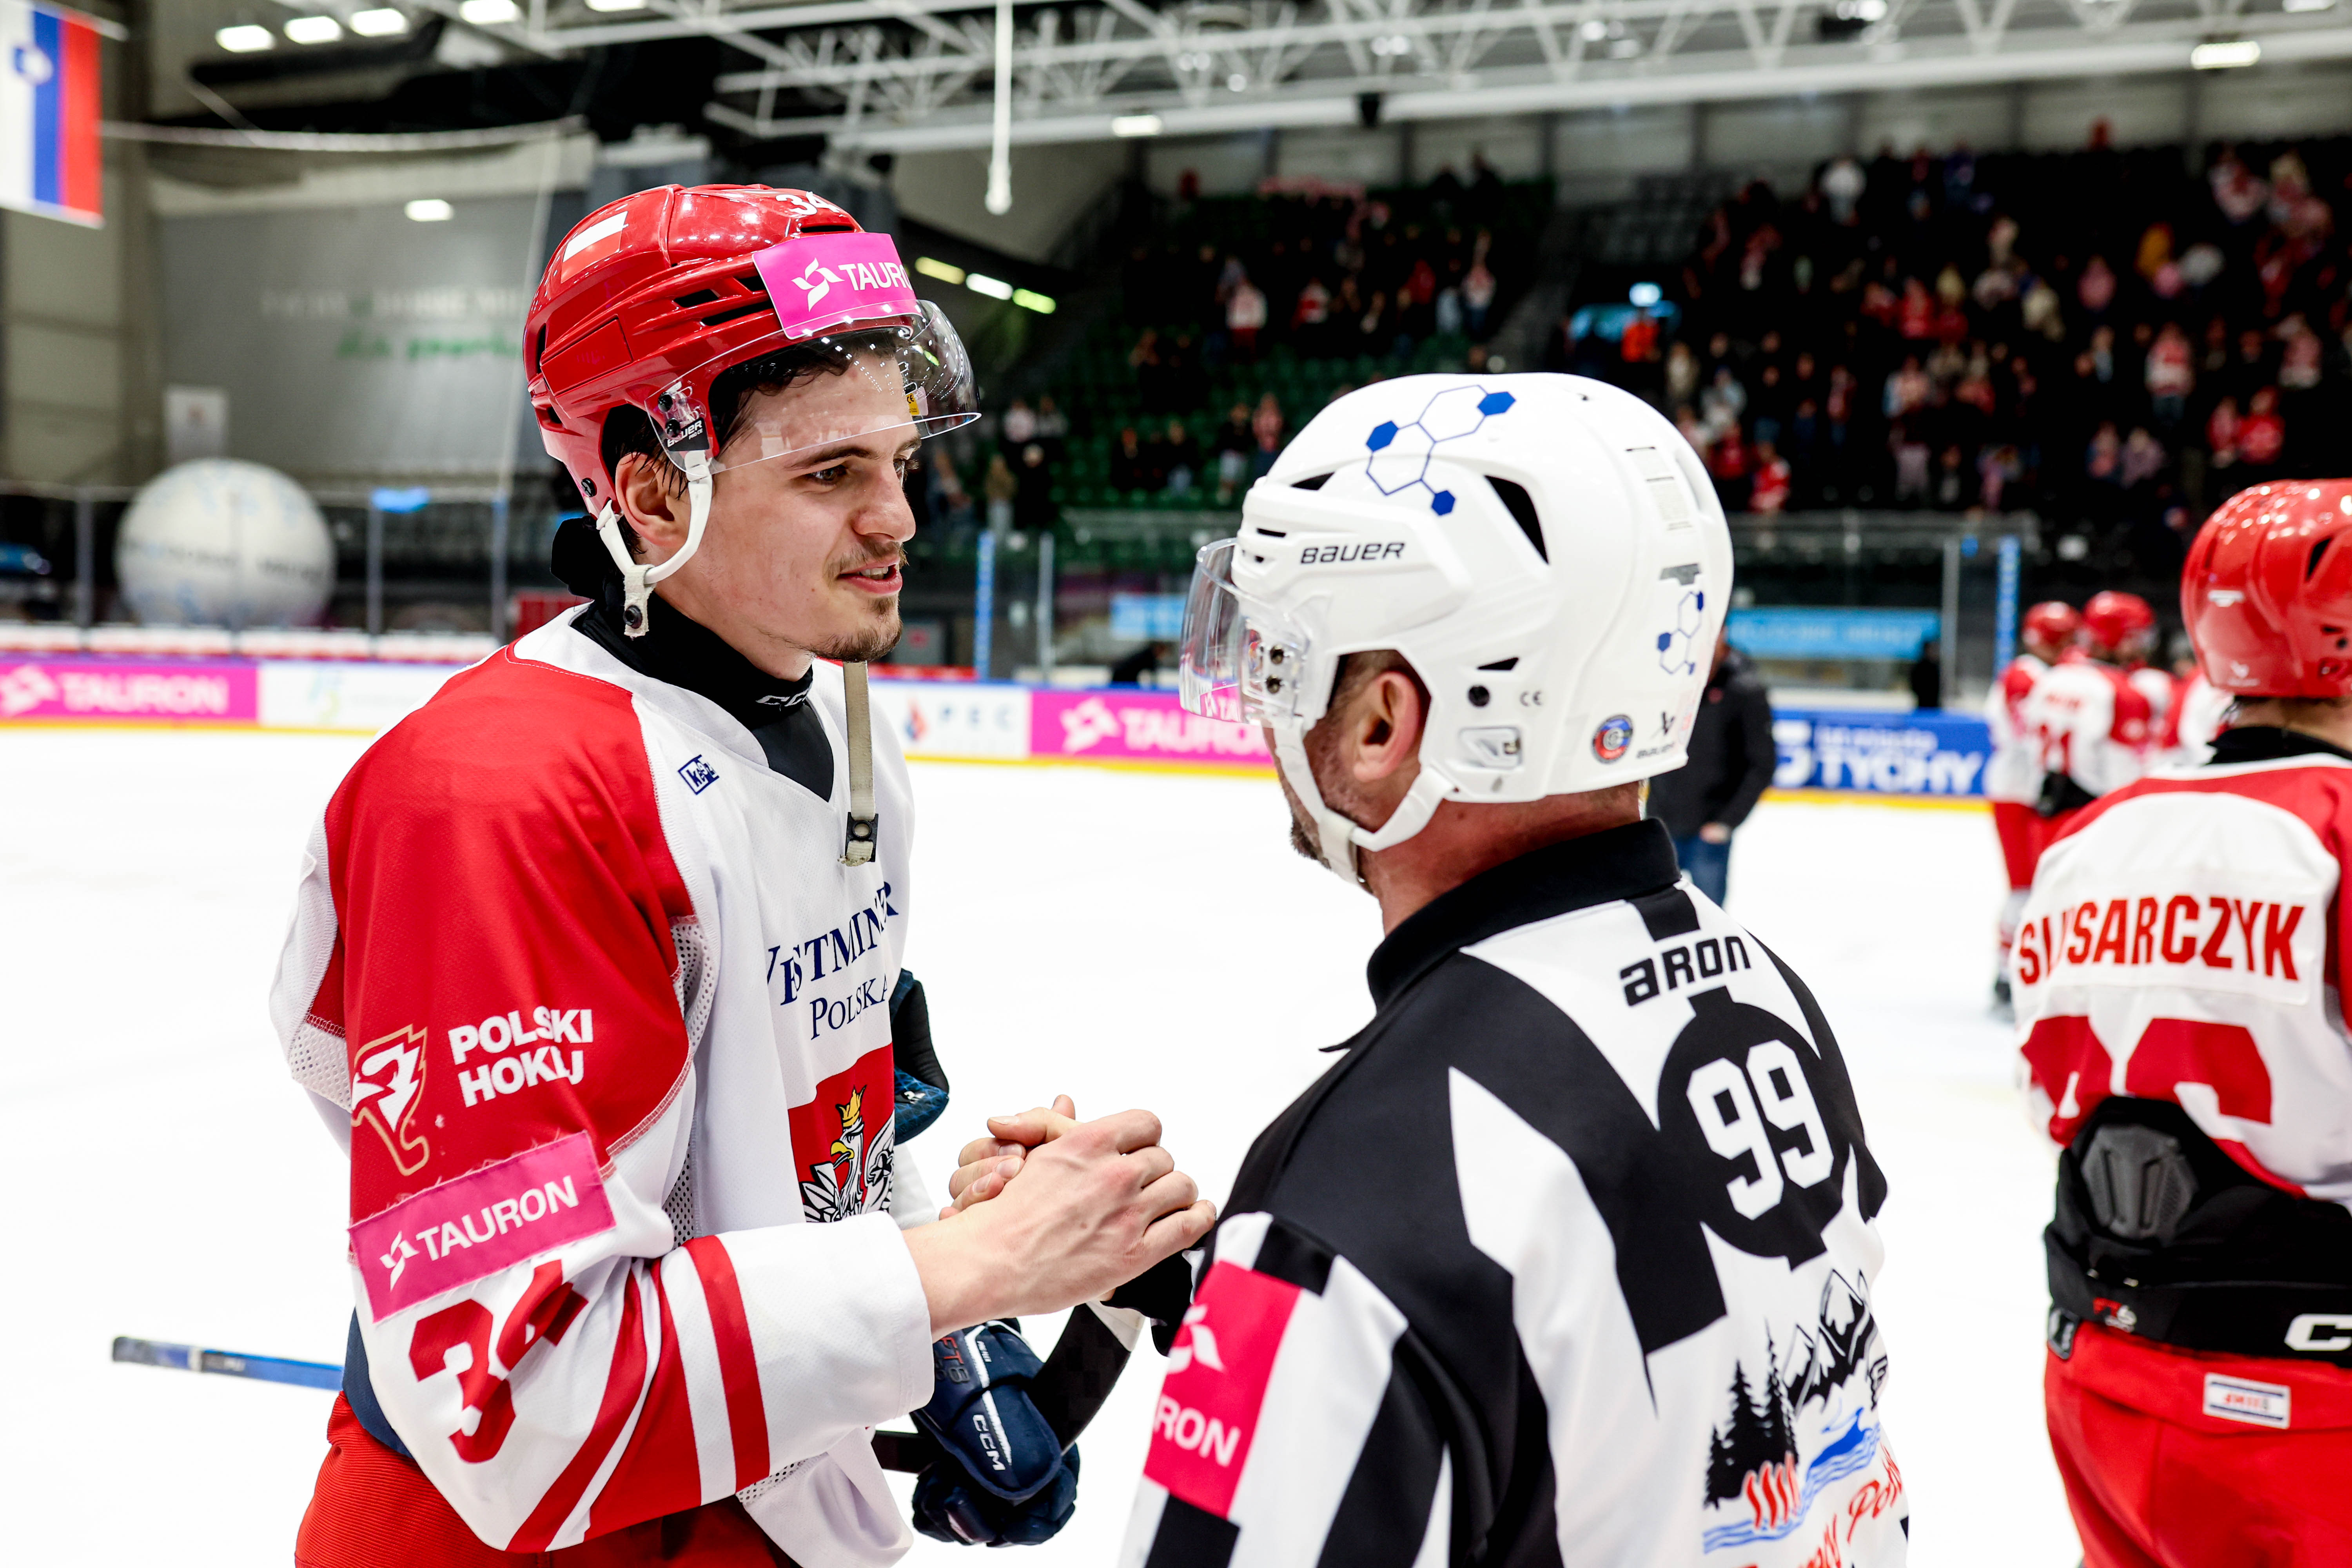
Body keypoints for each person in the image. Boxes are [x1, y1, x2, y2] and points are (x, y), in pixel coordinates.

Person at [272, 185, 1214, 1566]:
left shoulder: (841, 714)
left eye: (901, 459)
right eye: (831, 473)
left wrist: (947, 1319)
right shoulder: (500, 799)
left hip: (762, 1492)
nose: (899, 519)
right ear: (654, 491)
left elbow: (815, 1139)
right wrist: (969, 1269)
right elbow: (518, 1408)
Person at [1118, 374, 1905, 1564]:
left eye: (1284, 662)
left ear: (1382, 727)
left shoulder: (1369, 1178)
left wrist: (1278, 1288)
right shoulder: (1757, 991)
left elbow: (1422, 1282)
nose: (1263, 707)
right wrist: (1216, 1292)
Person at [2011, 481, 2352, 1565]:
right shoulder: (2339, 830)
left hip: (2100, 1378)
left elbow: (2046, 1090)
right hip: (2308, 1409)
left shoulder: (2088, 838)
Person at [1984, 600, 2080, 1005]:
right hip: (2020, 792)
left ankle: (2022, 969)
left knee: (2042, 885)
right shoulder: (2026, 675)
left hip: (2033, 789)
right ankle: (2008, 974)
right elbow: (2033, 736)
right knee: (2025, 887)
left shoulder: (2041, 673)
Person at [1647, 625, 1777, 906]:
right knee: (1654, 916)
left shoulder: (1744, 688)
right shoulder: (1667, 679)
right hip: (1661, 826)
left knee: (1709, 917)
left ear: (1722, 635)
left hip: (1709, 832)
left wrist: (1727, 821)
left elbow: (1762, 763)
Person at [2020, 590, 2157, 838]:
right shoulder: (2122, 692)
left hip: (2045, 812)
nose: (2141, 645)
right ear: (2113, 637)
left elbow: (2027, 741)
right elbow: (2124, 775)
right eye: (2135, 637)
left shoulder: (2052, 677)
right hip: (2092, 820)